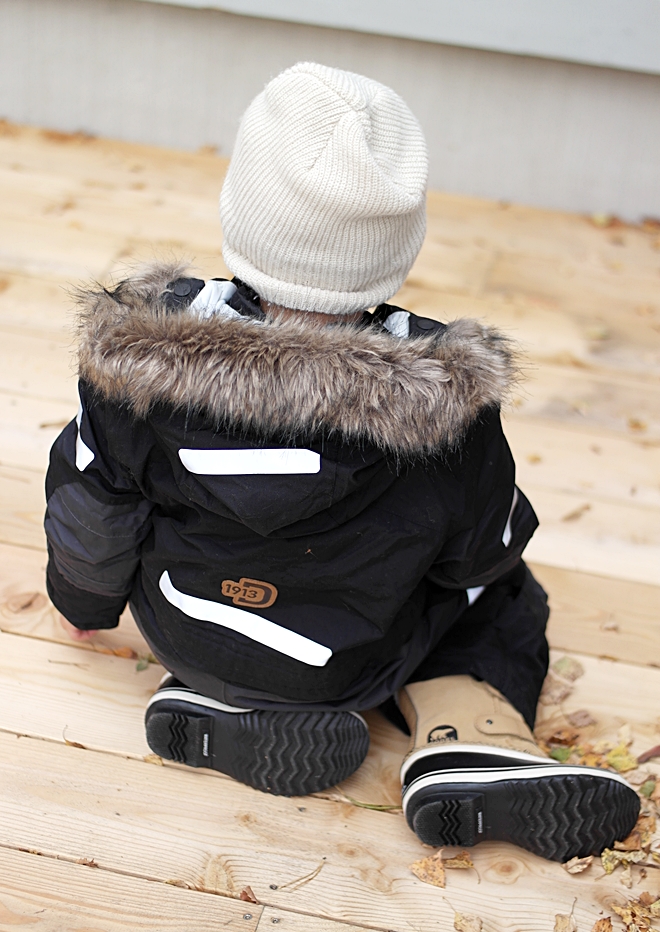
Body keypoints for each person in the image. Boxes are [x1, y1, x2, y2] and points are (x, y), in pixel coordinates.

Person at [45, 62, 638, 862]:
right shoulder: (445, 403)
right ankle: (472, 731)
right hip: (347, 659)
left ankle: (216, 694)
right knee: (504, 592)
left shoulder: (134, 359)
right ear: (399, 249)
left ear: (238, 212)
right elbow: (479, 554)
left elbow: (92, 503)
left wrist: (82, 604)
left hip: (188, 623)